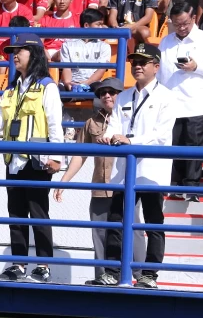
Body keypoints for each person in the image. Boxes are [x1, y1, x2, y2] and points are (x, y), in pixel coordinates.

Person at [91, 43, 177, 289]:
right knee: (116, 220)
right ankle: (111, 271)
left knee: (152, 223)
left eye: (143, 62)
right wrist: (107, 135)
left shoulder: (167, 97)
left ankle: (150, 275)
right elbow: (114, 124)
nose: (137, 66)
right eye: (134, 62)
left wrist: (130, 141)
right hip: (124, 172)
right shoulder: (125, 95)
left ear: (156, 67)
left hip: (151, 172)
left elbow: (160, 135)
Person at [0, 33, 64, 282]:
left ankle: (43, 266)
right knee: (15, 216)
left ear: (35, 53)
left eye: (21, 50)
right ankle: (18, 265)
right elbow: (1, 125)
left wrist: (56, 157)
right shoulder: (12, 88)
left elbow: (54, 125)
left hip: (37, 160)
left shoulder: (48, 86)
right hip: (13, 161)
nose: (15, 55)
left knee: (39, 214)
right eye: (13, 51)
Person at [53, 77, 147, 281]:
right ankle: (103, 277)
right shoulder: (91, 122)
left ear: (121, 95)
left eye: (112, 92)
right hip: (100, 186)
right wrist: (64, 181)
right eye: (102, 93)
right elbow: (80, 154)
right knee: (100, 234)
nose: (107, 96)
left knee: (133, 231)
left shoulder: (131, 118)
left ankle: (140, 276)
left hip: (124, 186)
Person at [158, 1, 203, 201]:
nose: (182, 27)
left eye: (185, 23)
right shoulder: (166, 41)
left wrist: (196, 67)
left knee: (194, 145)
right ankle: (176, 184)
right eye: (177, 24)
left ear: (193, 18)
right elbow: (159, 71)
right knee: (174, 144)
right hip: (170, 102)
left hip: (197, 102)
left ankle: (192, 187)